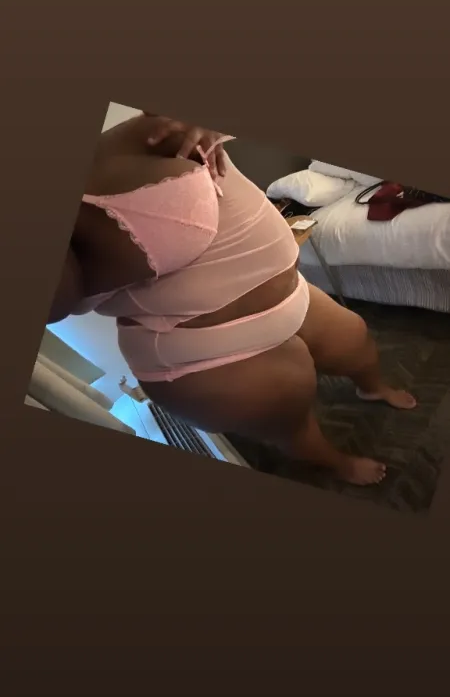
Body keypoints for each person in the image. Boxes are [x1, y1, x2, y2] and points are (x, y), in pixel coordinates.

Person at [50, 112, 417, 486]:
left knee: (355, 340)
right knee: (289, 420)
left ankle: (372, 388)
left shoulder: (121, 140)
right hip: (200, 353)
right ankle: (336, 462)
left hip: (292, 294)